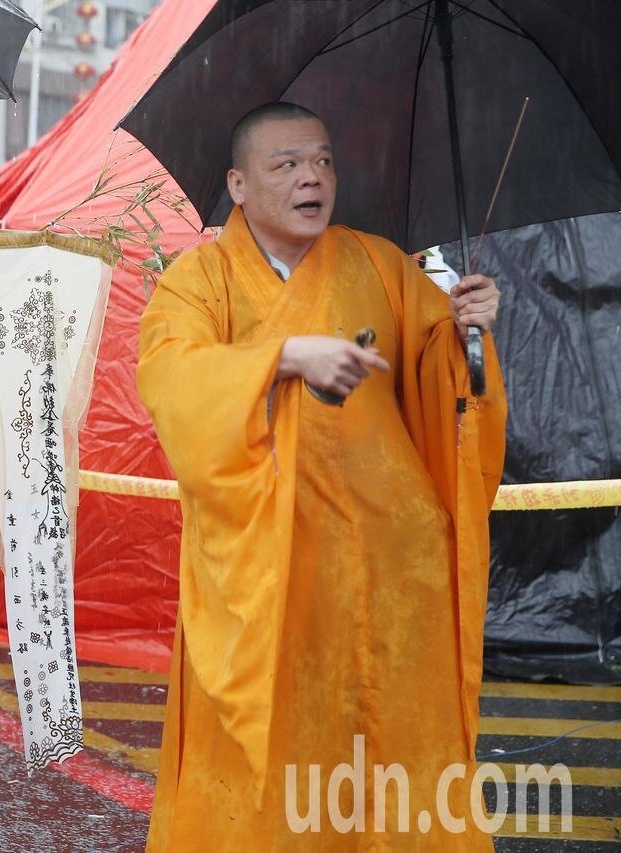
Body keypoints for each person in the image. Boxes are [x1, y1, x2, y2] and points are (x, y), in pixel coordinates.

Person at [137, 102, 507, 851]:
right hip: (268, 577)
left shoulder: (381, 263)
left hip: (391, 573)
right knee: (265, 769)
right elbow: (172, 378)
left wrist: (466, 334)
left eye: (324, 160)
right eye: (288, 164)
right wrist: (281, 360)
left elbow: (448, 391)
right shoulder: (199, 280)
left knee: (395, 770)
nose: (313, 177)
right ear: (238, 184)